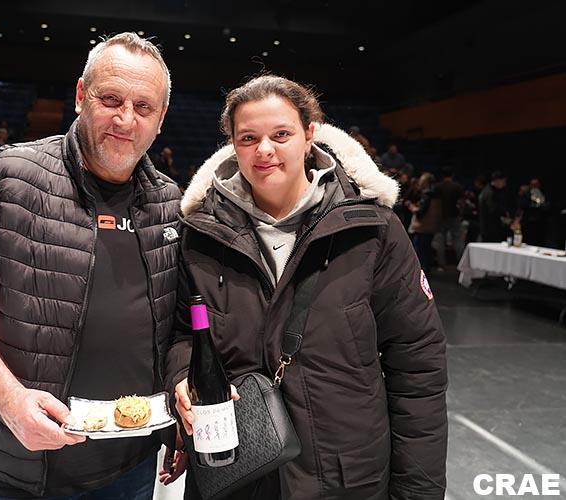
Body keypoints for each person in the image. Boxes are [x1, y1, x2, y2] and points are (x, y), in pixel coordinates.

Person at [0, 32, 182, 499]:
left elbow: (174, 326)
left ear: (160, 119)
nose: (125, 119)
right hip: (21, 466)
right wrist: (8, 399)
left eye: (143, 107)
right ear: (81, 95)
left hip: (131, 465)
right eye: (111, 99)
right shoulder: (10, 177)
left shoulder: (170, 202)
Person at [164, 75, 447, 500]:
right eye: (249, 138)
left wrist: (418, 492)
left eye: (281, 134)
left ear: (309, 134)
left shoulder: (372, 229)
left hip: (345, 478)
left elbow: (417, 365)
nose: (264, 150)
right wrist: (182, 378)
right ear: (233, 144)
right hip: (238, 472)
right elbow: (183, 334)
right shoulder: (200, 233)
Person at [408, 172, 443, 274]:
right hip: (432, 226)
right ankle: (426, 269)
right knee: (427, 249)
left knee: (420, 249)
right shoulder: (436, 194)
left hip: (423, 227)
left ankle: (421, 270)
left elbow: (421, 212)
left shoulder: (427, 195)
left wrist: (411, 207)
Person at [478, 170, 511, 242]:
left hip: (489, 228)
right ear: (498, 181)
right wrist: (505, 218)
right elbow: (493, 211)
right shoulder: (489, 193)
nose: (504, 184)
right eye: (503, 181)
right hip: (490, 230)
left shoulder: (488, 190)